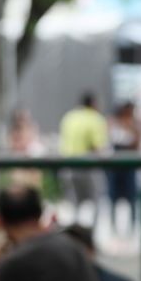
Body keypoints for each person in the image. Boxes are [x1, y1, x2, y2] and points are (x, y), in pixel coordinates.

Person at [59, 92, 109, 226]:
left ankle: (74, 236)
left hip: (67, 166)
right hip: (87, 167)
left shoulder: (69, 117)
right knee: (96, 203)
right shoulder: (95, 118)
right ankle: (90, 238)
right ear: (93, 104)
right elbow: (99, 147)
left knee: (73, 204)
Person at [107, 101, 141, 235]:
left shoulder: (134, 125)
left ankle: (132, 228)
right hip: (116, 167)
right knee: (114, 198)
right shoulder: (114, 123)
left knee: (132, 198)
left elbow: (136, 143)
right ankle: (114, 228)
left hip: (129, 167)